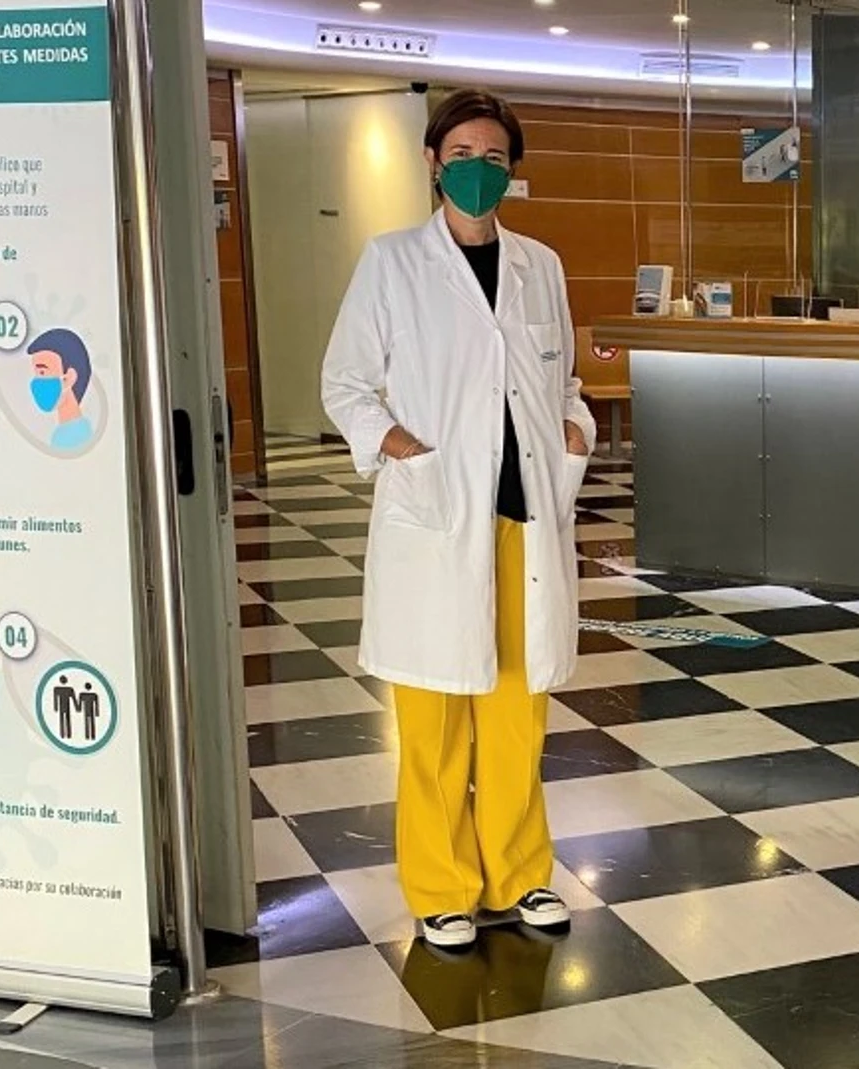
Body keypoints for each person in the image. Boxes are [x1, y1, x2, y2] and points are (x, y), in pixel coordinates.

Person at [322, 88, 596, 951]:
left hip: (524, 519)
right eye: (462, 154)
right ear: (434, 163)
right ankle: (442, 886)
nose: (478, 169)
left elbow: (564, 381)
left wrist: (575, 426)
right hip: (440, 520)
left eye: (494, 156)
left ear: (513, 169)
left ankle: (520, 875)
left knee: (517, 713)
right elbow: (345, 383)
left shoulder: (539, 264)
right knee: (436, 717)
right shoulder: (392, 261)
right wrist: (396, 443)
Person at [27, 329, 95, 452]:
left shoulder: (74, 439)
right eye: (35, 374)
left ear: (69, 378)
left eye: (42, 372)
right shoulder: (63, 433)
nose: (36, 382)